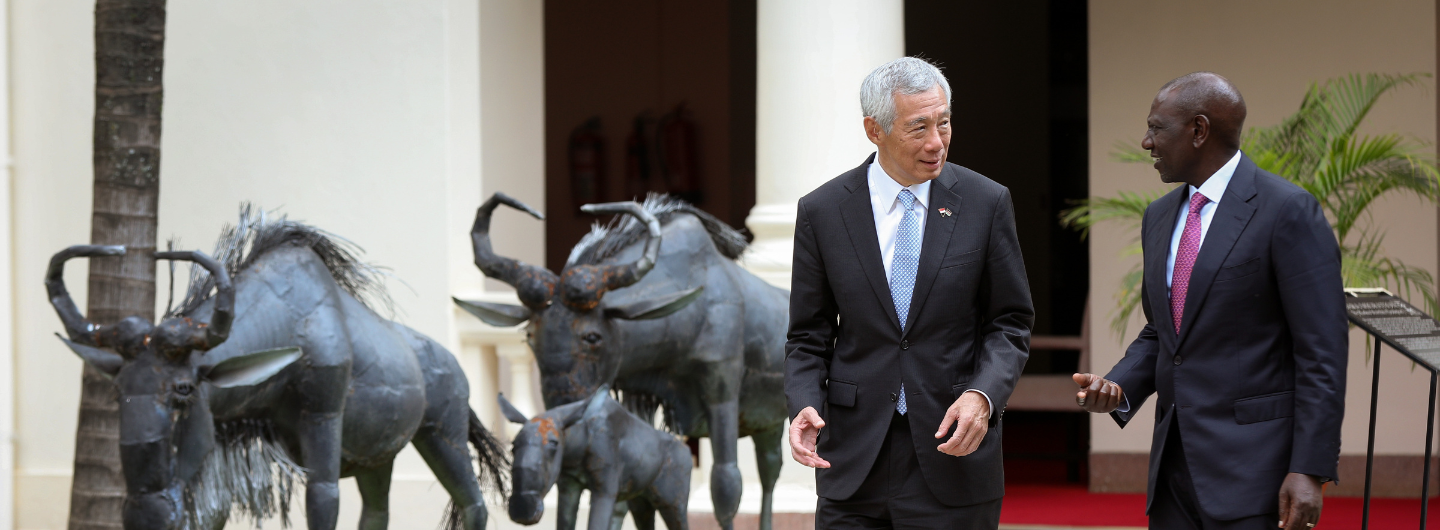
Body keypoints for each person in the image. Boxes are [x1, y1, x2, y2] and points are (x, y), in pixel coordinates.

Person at [1072, 72, 1346, 530]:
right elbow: (1164, 331)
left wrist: (1310, 469)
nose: (1146, 142)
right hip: (1173, 474)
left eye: (1157, 128)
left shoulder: (1286, 210)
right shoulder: (1159, 216)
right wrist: (1119, 388)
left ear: (1198, 131)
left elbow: (1323, 353)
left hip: (1256, 474)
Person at [785, 56, 1034, 529]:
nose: (936, 143)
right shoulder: (823, 211)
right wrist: (802, 403)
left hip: (954, 449)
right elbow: (807, 335)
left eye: (944, 123)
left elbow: (1010, 321)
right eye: (918, 128)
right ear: (874, 130)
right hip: (854, 461)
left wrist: (983, 396)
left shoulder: (986, 202)